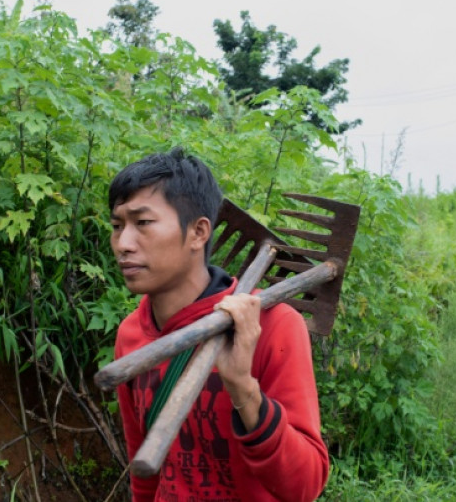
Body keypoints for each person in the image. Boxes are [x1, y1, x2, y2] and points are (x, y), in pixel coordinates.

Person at [108, 148, 329, 501]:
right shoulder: (132, 335)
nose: (123, 243)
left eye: (142, 223)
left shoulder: (272, 327)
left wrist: (242, 387)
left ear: (198, 233)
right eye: (117, 226)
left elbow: (304, 486)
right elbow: (144, 468)